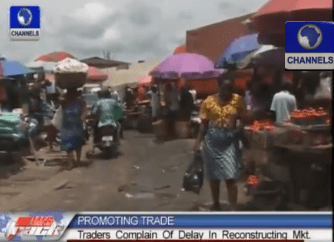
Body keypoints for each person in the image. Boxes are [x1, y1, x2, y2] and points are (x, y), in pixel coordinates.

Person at [193, 73, 248, 211]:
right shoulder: (208, 102)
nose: (227, 91)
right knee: (214, 176)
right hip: (212, 141)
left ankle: (233, 208)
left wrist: (240, 129)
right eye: (224, 88)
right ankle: (216, 203)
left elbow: (243, 119)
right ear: (218, 86)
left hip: (230, 141)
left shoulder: (238, 100)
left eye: (230, 88)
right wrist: (198, 142)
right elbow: (204, 124)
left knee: (230, 176)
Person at [60, 88, 86, 170]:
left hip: (74, 125)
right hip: (70, 125)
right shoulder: (66, 102)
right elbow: (84, 113)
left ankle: (75, 162)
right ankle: (74, 161)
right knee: (70, 144)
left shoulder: (68, 102)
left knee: (74, 144)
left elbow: (84, 113)